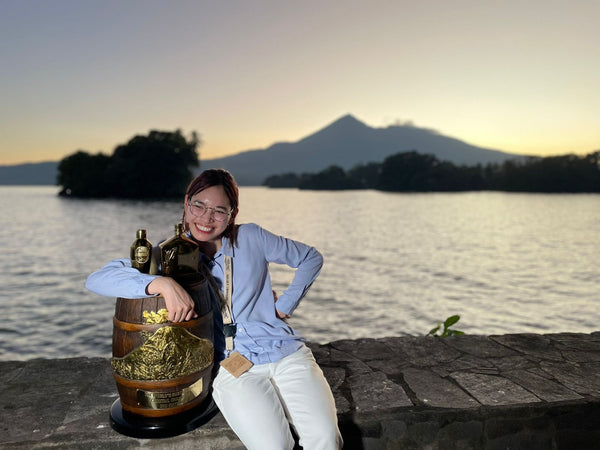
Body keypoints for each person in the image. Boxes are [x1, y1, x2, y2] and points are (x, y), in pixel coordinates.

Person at [86, 169, 343, 450]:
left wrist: (284, 305)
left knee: (325, 440)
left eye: (219, 211)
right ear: (186, 203)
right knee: (274, 446)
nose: (207, 218)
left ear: (232, 214)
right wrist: (161, 284)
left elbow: (310, 258)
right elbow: (98, 279)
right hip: (229, 365)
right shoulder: (167, 254)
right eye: (199, 205)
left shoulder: (252, 238)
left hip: (286, 353)